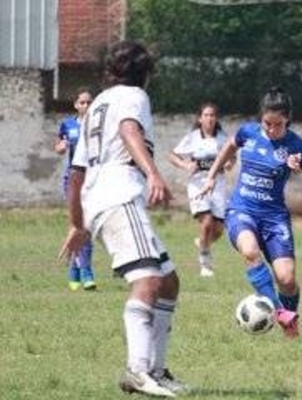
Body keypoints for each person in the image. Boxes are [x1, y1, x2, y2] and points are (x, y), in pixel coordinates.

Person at [58, 40, 190, 397]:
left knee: (168, 281)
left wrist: (78, 223)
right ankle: (138, 370)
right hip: (120, 196)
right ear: (144, 73)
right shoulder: (133, 96)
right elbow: (129, 132)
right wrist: (153, 174)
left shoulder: (96, 105)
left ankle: (157, 370)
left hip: (101, 201)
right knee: (147, 281)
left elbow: (76, 174)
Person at [199, 87, 302, 338]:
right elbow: (229, 145)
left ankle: (291, 327)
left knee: (287, 279)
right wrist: (210, 176)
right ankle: (281, 312)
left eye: (278, 125)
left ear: (288, 120)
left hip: (274, 218)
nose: (272, 129)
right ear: (261, 118)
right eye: (267, 123)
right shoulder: (248, 132)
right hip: (242, 209)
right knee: (250, 251)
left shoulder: (296, 146)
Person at [169, 102, 232, 277]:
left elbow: (231, 157)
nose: (209, 118)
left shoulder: (223, 138)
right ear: (200, 118)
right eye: (206, 115)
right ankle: (205, 264)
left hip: (218, 184)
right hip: (198, 184)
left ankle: (203, 242)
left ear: (216, 118)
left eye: (212, 115)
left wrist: (229, 163)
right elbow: (172, 155)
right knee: (206, 223)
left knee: (218, 229)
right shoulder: (192, 137)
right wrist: (185, 164)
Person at [54, 87, 97, 291]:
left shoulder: (99, 126)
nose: (86, 106)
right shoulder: (68, 125)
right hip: (72, 179)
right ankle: (84, 272)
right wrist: (61, 147)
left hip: (93, 180)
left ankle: (78, 270)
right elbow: (59, 145)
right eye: (82, 102)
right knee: (77, 224)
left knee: (86, 226)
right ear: (76, 105)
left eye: (89, 102)